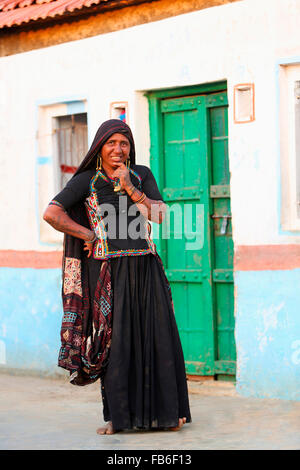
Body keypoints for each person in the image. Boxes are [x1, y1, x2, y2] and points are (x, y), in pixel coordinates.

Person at [43, 119, 191, 434]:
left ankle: (170, 414)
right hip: (109, 273)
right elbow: (52, 213)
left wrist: (132, 189)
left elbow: (162, 215)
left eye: (123, 143)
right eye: (111, 143)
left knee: (160, 338)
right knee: (117, 344)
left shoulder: (141, 175)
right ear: (99, 146)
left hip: (146, 266)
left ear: (130, 148)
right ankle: (119, 419)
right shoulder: (86, 180)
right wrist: (88, 233)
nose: (118, 149)